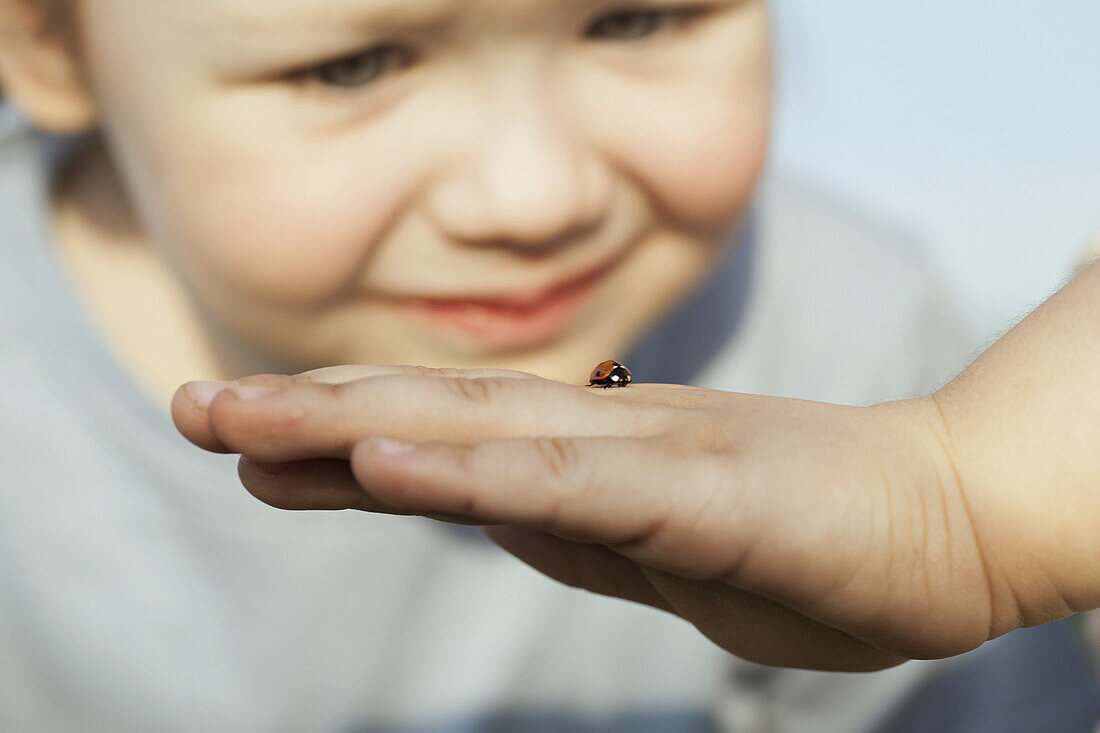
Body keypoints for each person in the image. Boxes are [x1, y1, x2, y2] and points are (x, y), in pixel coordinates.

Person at [0, 0, 1068, 731]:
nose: (534, 196)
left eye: (633, 17)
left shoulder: (870, 364)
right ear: (51, 43)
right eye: (351, 65)